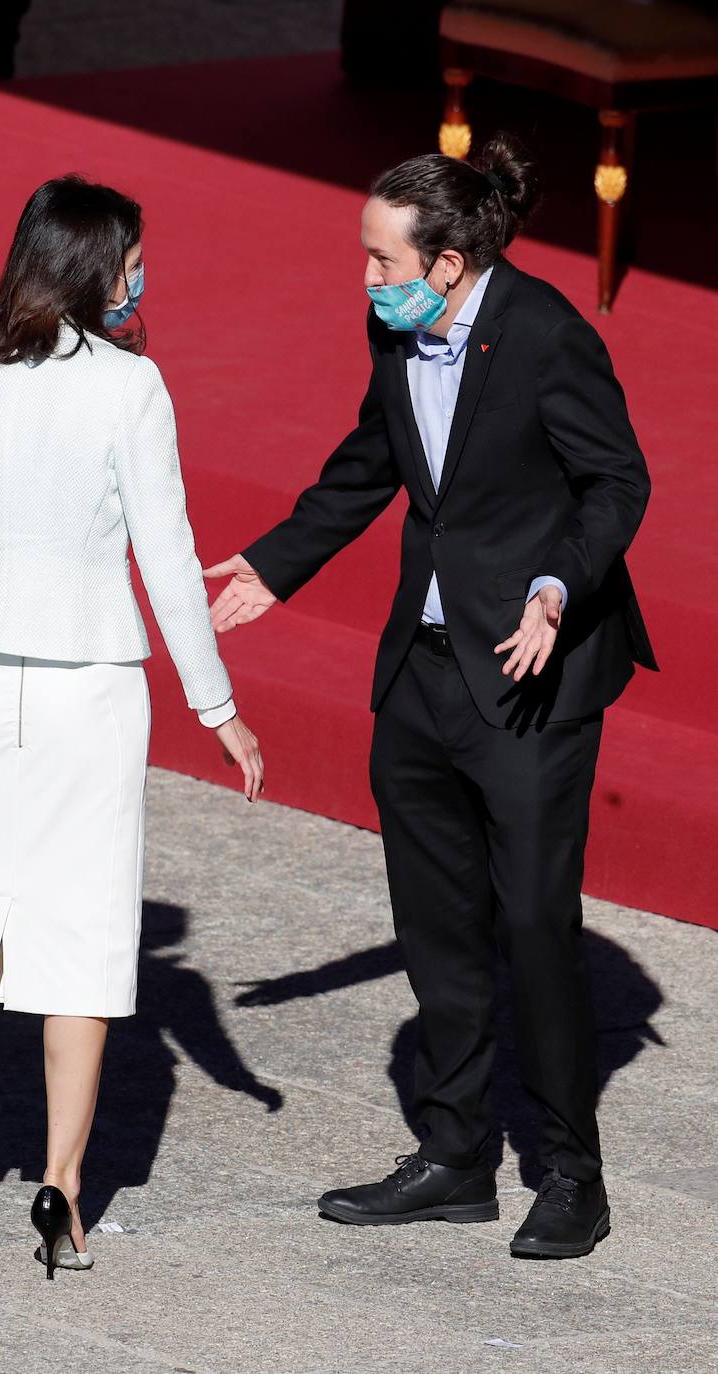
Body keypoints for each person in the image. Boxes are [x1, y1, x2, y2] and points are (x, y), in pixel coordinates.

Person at [205, 135, 656, 1260]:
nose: (365, 279)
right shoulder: (396, 331)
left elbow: (616, 479)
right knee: (437, 922)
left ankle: (568, 1173)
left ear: (446, 264)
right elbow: (371, 462)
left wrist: (557, 586)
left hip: (527, 675)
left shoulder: (549, 334)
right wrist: (277, 563)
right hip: (423, 669)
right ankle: (455, 1158)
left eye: (379, 260)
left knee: (533, 927)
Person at [0, 175, 262, 1280]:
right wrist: (216, 704)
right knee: (80, 938)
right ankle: (62, 1195)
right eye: (132, 260)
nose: (139, 280)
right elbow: (167, 561)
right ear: (98, 267)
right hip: (90, 681)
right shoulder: (130, 386)